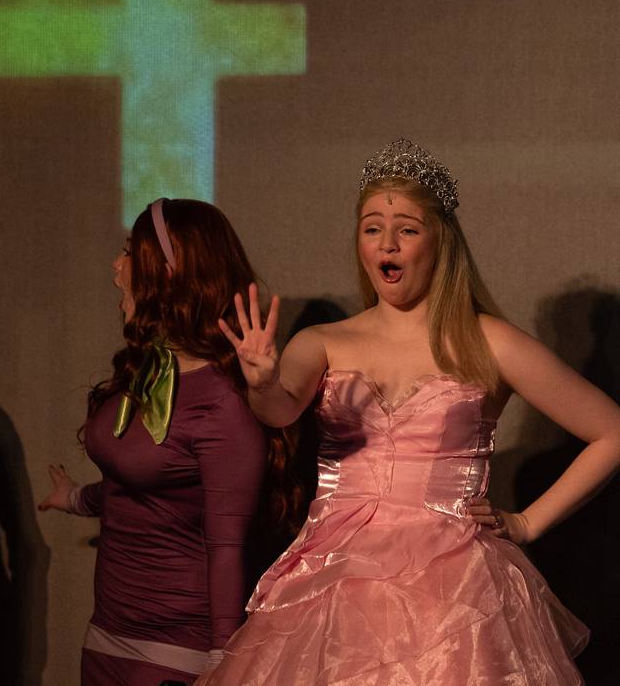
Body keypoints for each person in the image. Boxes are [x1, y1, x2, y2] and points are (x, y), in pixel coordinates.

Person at [198, 139, 620, 685]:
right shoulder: (325, 341)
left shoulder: (486, 341)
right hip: (336, 582)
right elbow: (279, 411)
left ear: (438, 242)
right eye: (373, 228)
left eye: (407, 229)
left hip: (454, 593)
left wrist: (526, 522)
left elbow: (611, 431)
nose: (387, 242)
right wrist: (259, 383)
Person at [39, 198, 271, 685]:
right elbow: (143, 490)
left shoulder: (222, 406)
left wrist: (221, 664)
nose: (115, 266)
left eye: (129, 251)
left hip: (173, 653)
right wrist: (77, 499)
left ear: (168, 273)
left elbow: (226, 547)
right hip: (106, 634)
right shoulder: (148, 373)